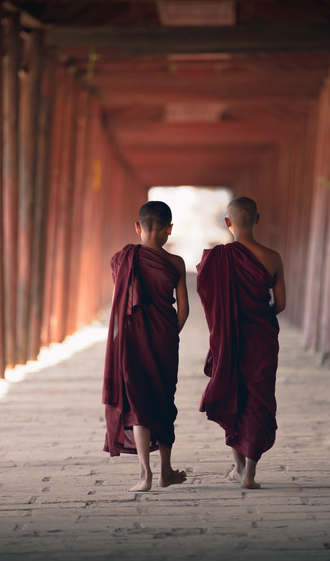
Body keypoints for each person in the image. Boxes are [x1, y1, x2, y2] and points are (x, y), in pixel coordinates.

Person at [197, 196, 286, 489]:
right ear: (257, 219)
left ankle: (238, 466)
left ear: (228, 222)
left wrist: (228, 321)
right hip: (261, 338)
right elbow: (280, 304)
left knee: (232, 393)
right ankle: (249, 472)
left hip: (229, 339)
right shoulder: (272, 257)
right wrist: (257, 316)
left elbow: (209, 299)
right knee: (259, 399)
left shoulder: (217, 258)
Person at [103, 201, 189, 492]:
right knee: (164, 401)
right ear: (169, 229)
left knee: (138, 402)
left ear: (138, 227)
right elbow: (184, 310)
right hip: (165, 340)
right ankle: (166, 471)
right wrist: (168, 335)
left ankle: (145, 475)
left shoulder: (123, 259)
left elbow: (120, 304)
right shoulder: (176, 263)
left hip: (131, 342)